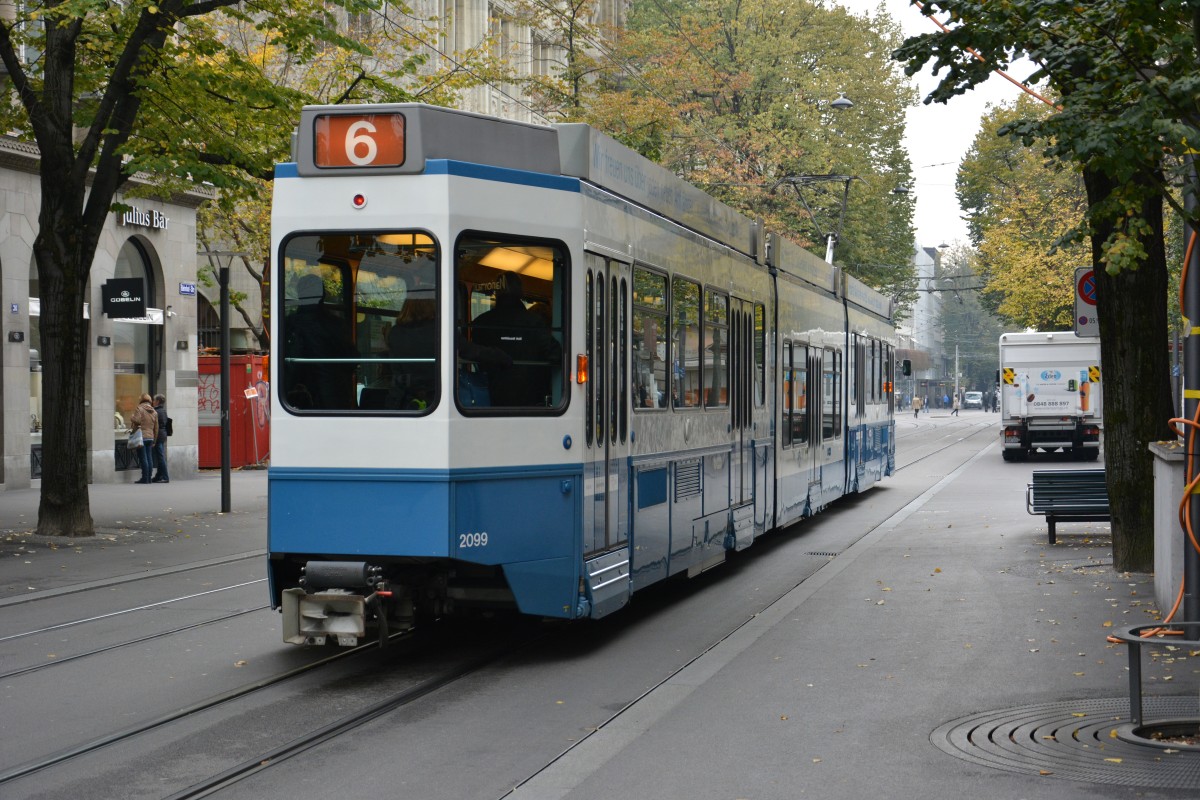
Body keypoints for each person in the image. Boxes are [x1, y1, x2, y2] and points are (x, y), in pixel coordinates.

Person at [469, 272, 561, 407]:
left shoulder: (480, 323)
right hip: (531, 400)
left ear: (496, 292)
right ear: (521, 293)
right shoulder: (534, 322)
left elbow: (475, 357)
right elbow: (556, 354)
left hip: (490, 398)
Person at [283, 273, 359, 409]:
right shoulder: (336, 324)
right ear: (323, 295)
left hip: (299, 397)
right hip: (336, 396)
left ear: (300, 295)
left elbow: (291, 365)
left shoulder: (290, 324)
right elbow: (353, 359)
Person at [388, 297, 438, 409]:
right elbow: (468, 351)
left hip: (401, 396)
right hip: (433, 395)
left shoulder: (395, 332)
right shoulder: (439, 329)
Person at [130, 393, 158, 484]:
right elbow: (156, 428)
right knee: (149, 458)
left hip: (141, 437)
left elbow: (137, 421)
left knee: (143, 458)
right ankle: (149, 478)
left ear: (141, 400)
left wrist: (132, 418)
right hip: (150, 437)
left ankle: (144, 478)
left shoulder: (139, 408)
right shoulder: (154, 411)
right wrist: (154, 440)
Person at [151, 393, 170, 483]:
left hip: (158, 435)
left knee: (160, 457)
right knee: (160, 456)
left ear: (157, 401)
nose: (153, 402)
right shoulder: (163, 411)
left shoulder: (156, 411)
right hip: (163, 435)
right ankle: (158, 476)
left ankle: (165, 477)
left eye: (154, 400)